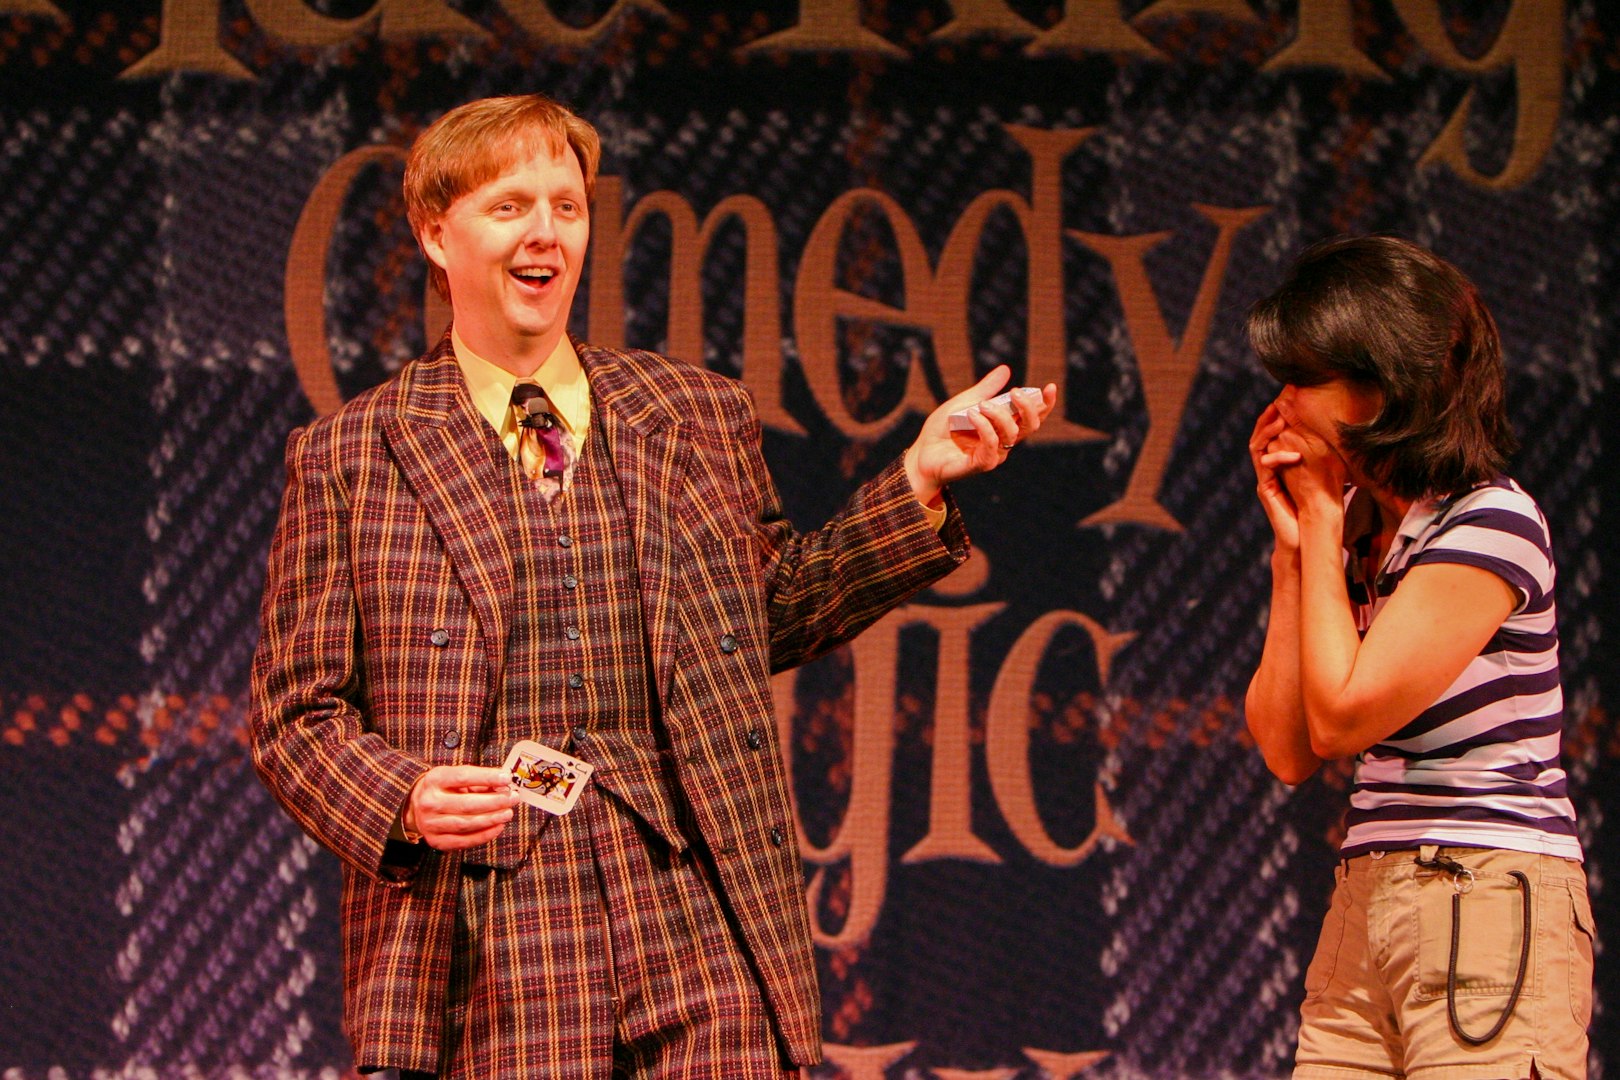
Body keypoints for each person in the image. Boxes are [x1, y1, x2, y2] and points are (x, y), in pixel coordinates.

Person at [249, 93, 1055, 1079]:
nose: (546, 232)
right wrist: (404, 798)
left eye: (568, 205)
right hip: (493, 938)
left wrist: (918, 482)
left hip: (697, 916)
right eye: (510, 207)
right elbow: (295, 715)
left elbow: (772, 611)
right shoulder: (353, 454)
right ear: (434, 232)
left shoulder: (694, 413)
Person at [1243, 235, 1594, 1078]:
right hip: (1368, 896)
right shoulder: (1364, 532)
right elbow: (1288, 749)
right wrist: (1297, 552)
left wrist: (1324, 520)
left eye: (1306, 379)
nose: (1282, 405)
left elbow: (1343, 717)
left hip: (1483, 895)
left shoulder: (1491, 523)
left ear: (1383, 388)